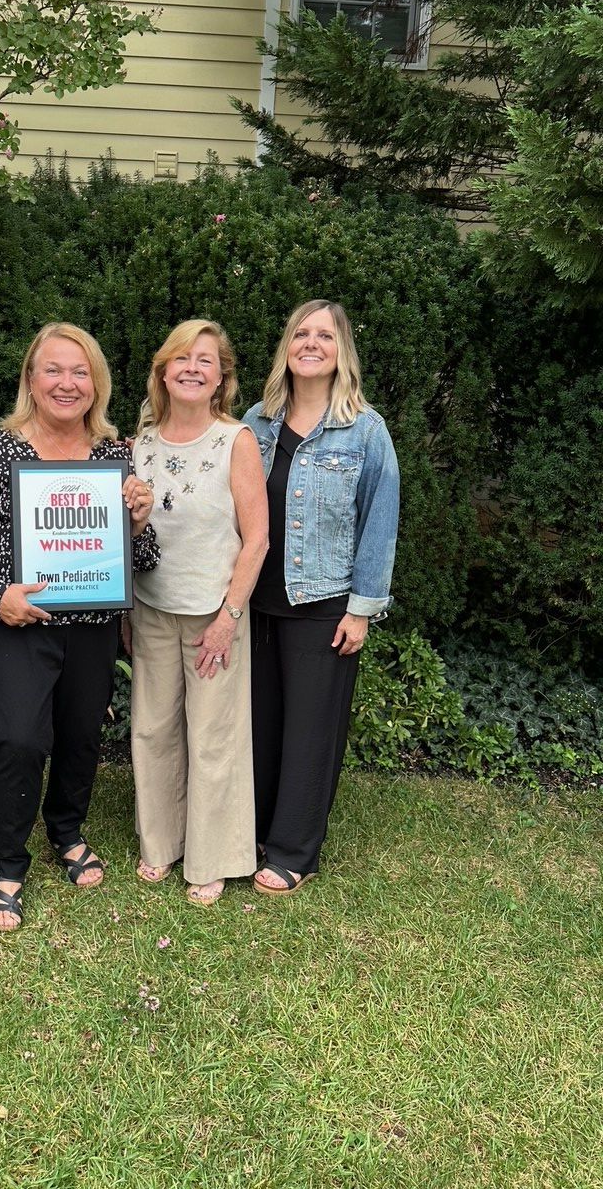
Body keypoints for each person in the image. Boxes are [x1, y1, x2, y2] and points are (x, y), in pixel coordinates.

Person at [0, 322, 158, 932]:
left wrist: (139, 522)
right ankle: (9, 860)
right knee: (18, 737)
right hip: (23, 623)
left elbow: (142, 562)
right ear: (31, 381)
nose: (67, 383)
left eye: (80, 372)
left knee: (80, 735)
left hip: (93, 625)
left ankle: (66, 830)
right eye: (53, 371)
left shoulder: (115, 457)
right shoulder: (1, 451)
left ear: (96, 383)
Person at [242, 300, 399, 896]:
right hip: (256, 603)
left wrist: (362, 608)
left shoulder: (365, 429)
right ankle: (256, 832)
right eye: (301, 334)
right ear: (286, 346)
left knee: (312, 731)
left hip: (325, 603)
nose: (311, 344)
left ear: (341, 352)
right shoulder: (256, 423)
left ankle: (293, 851)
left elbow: (379, 523)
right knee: (262, 726)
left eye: (324, 336)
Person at [129, 319, 269, 905]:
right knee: (154, 729)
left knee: (213, 738)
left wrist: (228, 616)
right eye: (181, 358)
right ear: (164, 370)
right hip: (151, 609)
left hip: (216, 615)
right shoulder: (140, 442)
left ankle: (213, 857)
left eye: (205, 360)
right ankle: (161, 842)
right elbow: (130, 534)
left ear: (221, 377)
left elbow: (257, 537)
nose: (192, 367)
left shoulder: (235, 440)